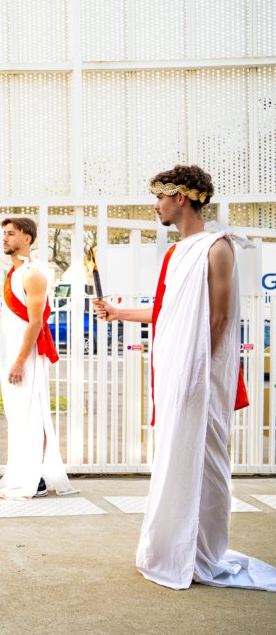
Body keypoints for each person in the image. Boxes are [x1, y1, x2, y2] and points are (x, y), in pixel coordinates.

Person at [94, 165, 276, 591]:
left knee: (207, 462)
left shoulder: (217, 247)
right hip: (177, 375)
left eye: (160, 197)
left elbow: (220, 319)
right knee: (174, 457)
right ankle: (175, 548)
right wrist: (119, 312)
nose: (155, 206)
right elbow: (166, 314)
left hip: (201, 377)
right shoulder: (175, 254)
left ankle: (203, 553)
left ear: (181, 197)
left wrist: (195, 372)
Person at [0, 217, 77, 499]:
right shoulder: (13, 274)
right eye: (4, 233)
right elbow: (10, 318)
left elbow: (35, 322)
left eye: (11, 233)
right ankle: (28, 474)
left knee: (32, 415)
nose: (5, 238)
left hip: (25, 359)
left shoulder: (32, 274)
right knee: (17, 417)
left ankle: (36, 478)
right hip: (12, 357)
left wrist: (19, 361)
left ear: (27, 238)